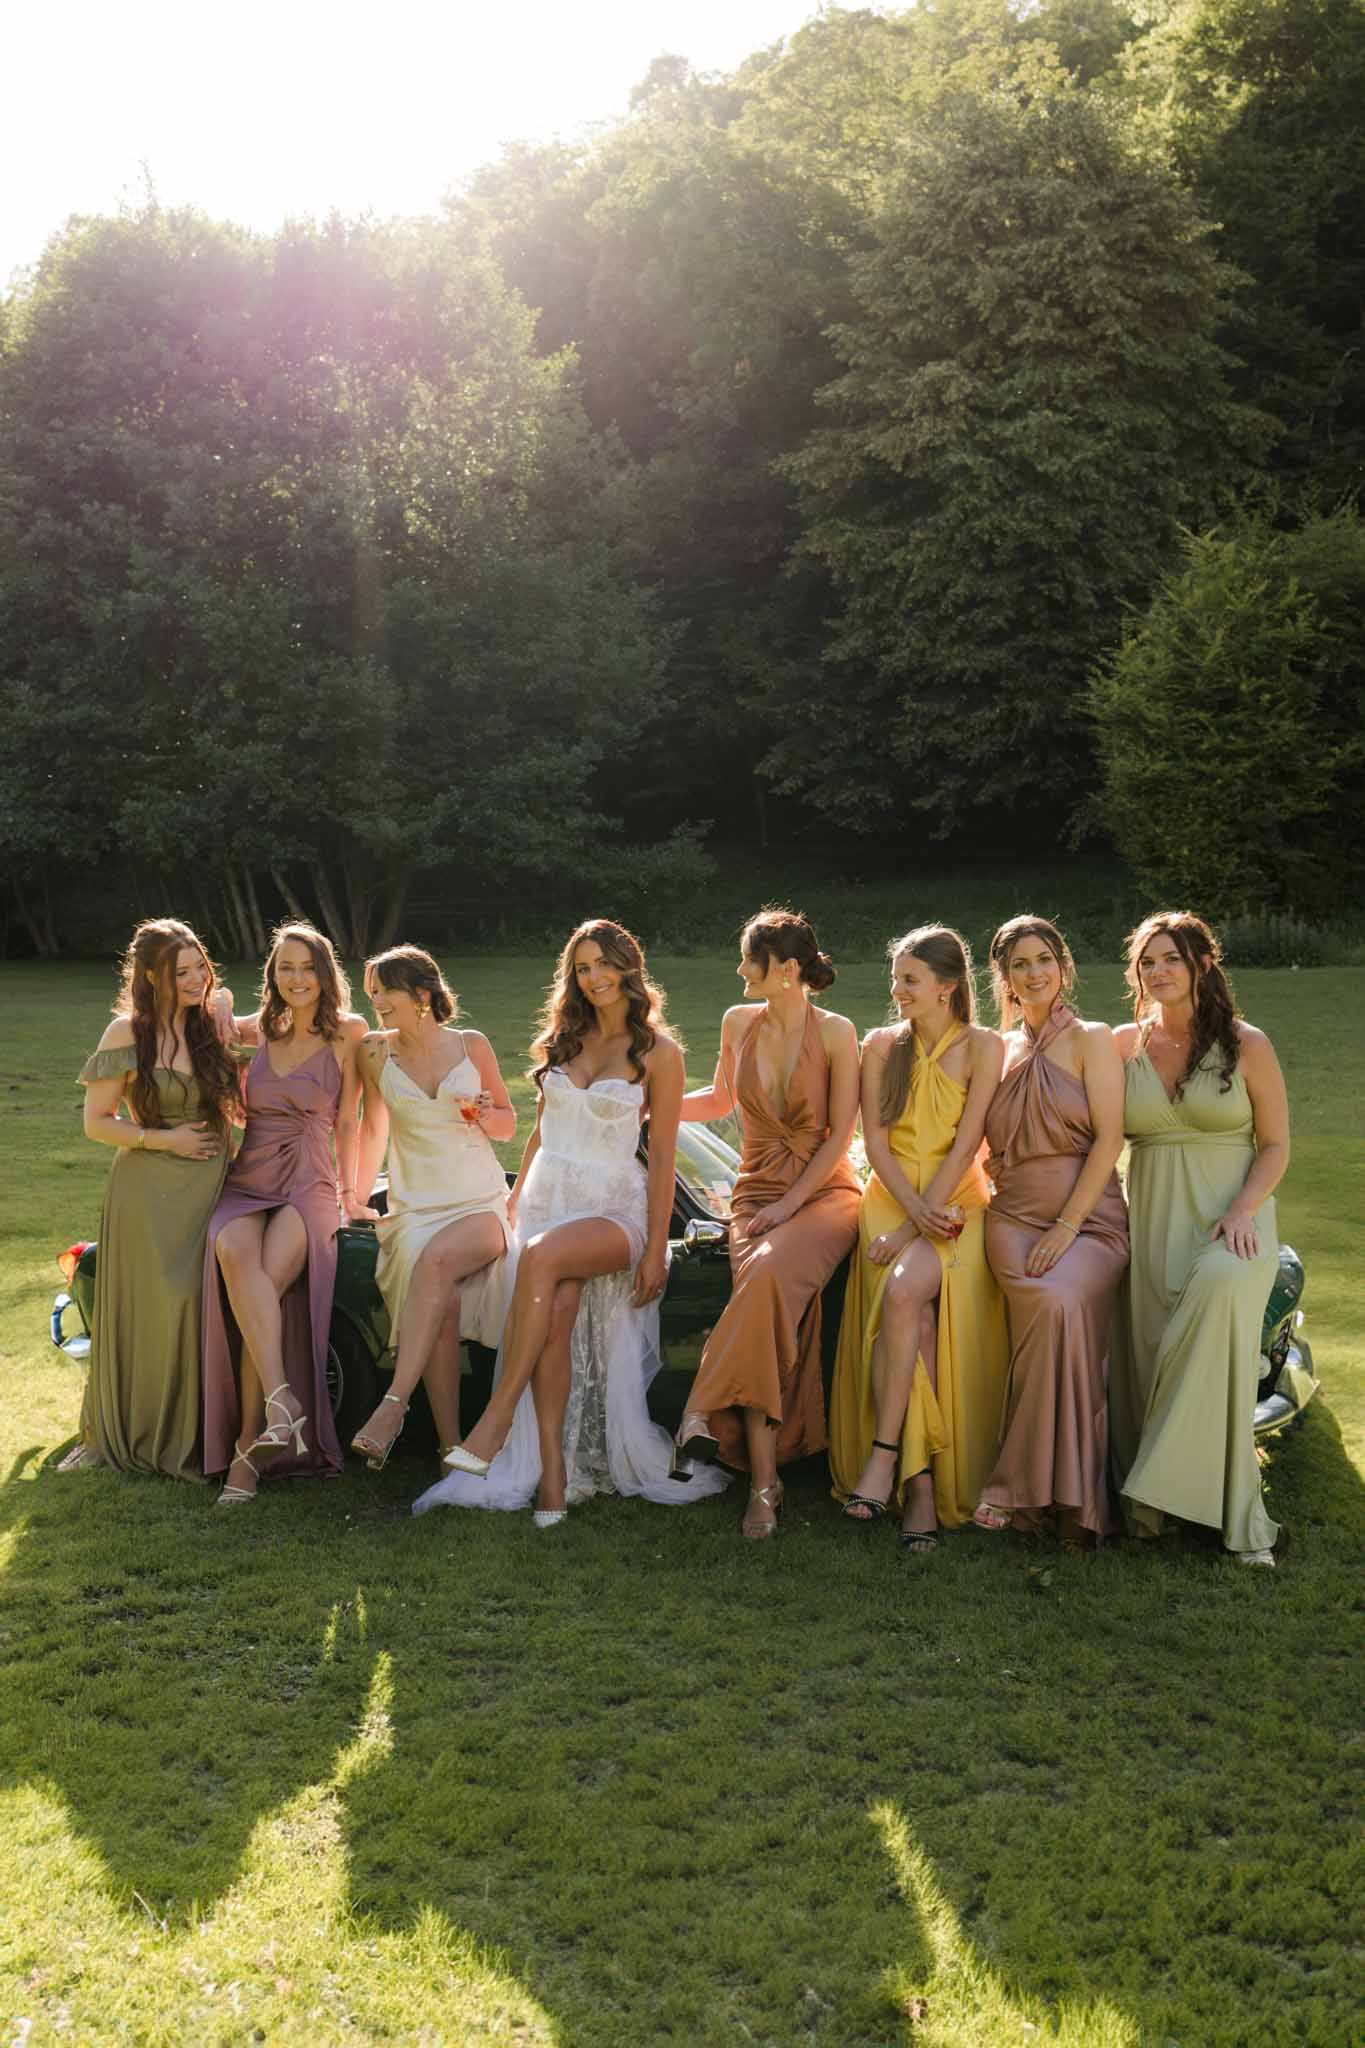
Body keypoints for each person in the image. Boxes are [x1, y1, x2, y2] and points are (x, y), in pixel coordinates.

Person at [414, 919, 728, 1523]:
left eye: (605, 964)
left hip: (614, 1207)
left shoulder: (660, 1053)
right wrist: (513, 1200)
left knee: (542, 1258)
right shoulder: (566, 1037)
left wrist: (658, 1247)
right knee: (554, 1317)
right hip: (547, 1199)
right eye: (583, 968)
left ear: (629, 967)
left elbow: (661, 1155)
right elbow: (540, 1131)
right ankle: (554, 1477)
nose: (595, 978)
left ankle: (496, 1420)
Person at [670, 909, 861, 1540]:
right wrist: (649, 1104)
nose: (739, 970)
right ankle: (763, 1482)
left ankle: (701, 1409)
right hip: (755, 1193)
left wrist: (791, 1205)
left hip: (825, 1194)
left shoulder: (835, 1033)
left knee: (769, 1271)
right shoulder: (737, 1021)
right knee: (765, 1298)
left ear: (787, 970)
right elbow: (721, 1100)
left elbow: (840, 1139)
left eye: (749, 959)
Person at [1109, 911, 1289, 1566]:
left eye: (1170, 960)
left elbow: (1274, 1146)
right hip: (1152, 1214)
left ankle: (1222, 1508)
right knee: (1151, 1348)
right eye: (1146, 962)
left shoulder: (1247, 1044)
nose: (1157, 972)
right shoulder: (1119, 1046)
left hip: (1232, 1219)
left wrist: (1243, 1209)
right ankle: (1154, 1507)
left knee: (1216, 1290)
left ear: (1200, 967)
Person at [828, 925, 1007, 1548]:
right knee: (918, 1320)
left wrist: (919, 1223)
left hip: (957, 1207)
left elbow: (967, 1145)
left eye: (910, 979)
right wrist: (905, 1214)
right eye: (897, 977)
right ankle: (921, 1488)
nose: (897, 989)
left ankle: (885, 1455)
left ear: (948, 987)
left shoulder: (986, 1047)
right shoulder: (880, 1045)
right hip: (891, 1200)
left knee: (906, 1296)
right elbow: (874, 1143)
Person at [61, 919, 239, 1479]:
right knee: (153, 1306)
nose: (195, 980)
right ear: (151, 976)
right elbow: (96, 1123)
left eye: (199, 969)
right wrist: (167, 1139)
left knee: (196, 1304)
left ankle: (197, 1433)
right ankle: (122, 1432)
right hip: (147, 1187)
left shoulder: (209, 1025)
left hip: (209, 1183)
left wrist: (225, 996)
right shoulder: (126, 1034)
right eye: (180, 972)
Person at [972, 915, 1128, 1546]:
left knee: (1062, 1299)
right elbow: (971, 1143)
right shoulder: (996, 1049)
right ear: (1003, 979)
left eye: (1044, 960)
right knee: (1047, 1303)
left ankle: (1025, 1489)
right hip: (1010, 1218)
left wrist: (1067, 1225)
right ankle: (1065, 1500)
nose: (1034, 974)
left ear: (1063, 966)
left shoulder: (1092, 1039)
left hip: (1090, 1221)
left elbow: (1111, 1139)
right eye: (1019, 965)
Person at [202, 923, 368, 1503]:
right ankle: (282, 1400)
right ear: (272, 974)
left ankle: (249, 1450)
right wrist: (222, 999)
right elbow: (209, 1011)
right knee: (231, 1249)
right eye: (285, 969)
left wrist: (351, 1197)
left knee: (264, 1289)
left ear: (325, 972)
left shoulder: (349, 1032)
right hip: (250, 1176)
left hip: (310, 1181)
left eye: (307, 968)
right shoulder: (261, 1028)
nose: (296, 980)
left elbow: (351, 1122)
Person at [349, 945, 515, 1470]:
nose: (375, 1000)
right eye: (371, 991)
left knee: (435, 1263)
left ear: (422, 995)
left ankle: (393, 1406)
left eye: (384, 990)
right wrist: (353, 1195)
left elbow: (508, 1126)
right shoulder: (373, 1051)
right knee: (436, 1301)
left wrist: (489, 1115)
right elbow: (373, 1128)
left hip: (481, 1203)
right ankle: (449, 1446)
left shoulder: (471, 1045)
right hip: (416, 1207)